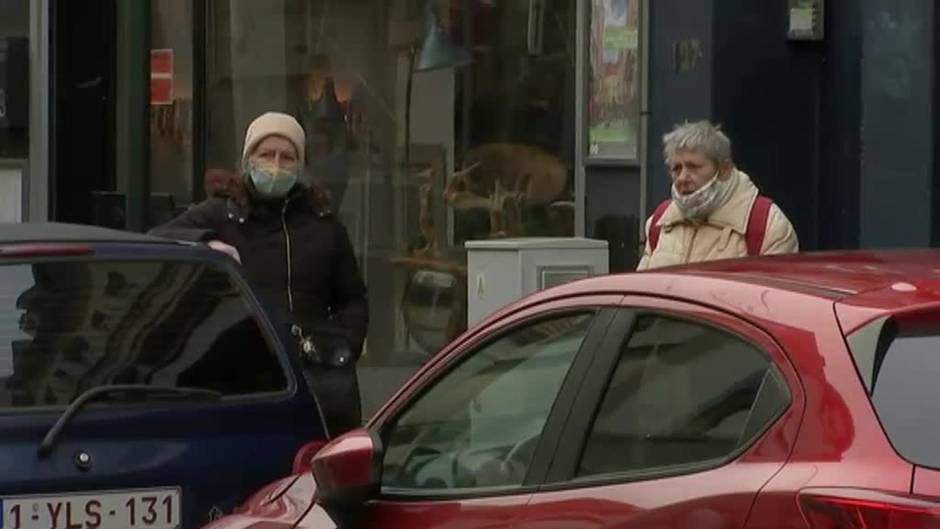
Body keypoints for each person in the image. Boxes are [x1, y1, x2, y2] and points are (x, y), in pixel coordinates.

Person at [149, 111, 368, 436]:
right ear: (248, 159)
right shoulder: (222, 213)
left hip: (319, 382)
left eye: (287, 157)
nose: (276, 165)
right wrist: (207, 243)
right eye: (266, 154)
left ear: (300, 165)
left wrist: (344, 346)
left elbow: (352, 297)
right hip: (245, 378)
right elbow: (157, 237)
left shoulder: (323, 223)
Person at [637, 120, 799, 270]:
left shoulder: (767, 224)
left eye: (693, 167)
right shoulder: (659, 222)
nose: (682, 178)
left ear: (724, 169)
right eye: (676, 169)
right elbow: (641, 293)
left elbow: (774, 297)